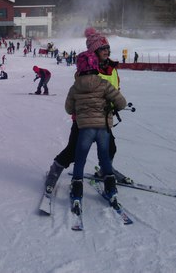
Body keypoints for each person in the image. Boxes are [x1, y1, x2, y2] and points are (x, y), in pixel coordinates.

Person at [44, 27, 128, 196]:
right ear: (93, 52)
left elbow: (115, 89)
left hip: (104, 118)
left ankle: (105, 170)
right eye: (102, 49)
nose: (107, 51)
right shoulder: (85, 70)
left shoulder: (112, 68)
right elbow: (79, 93)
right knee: (73, 150)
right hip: (83, 119)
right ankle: (54, 171)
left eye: (107, 48)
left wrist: (114, 104)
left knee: (110, 148)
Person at [66, 50, 127, 212]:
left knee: (80, 159)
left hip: (85, 129)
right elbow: (121, 102)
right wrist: (109, 106)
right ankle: (111, 190)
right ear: (95, 66)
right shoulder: (104, 84)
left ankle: (77, 190)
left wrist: (80, 108)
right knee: (104, 158)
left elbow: (68, 108)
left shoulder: (75, 87)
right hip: (103, 129)